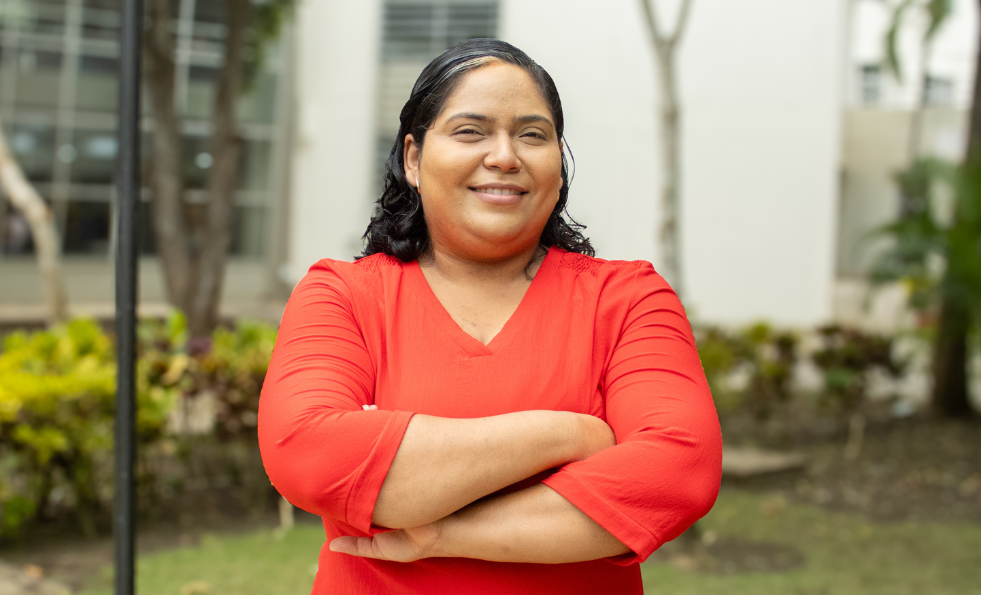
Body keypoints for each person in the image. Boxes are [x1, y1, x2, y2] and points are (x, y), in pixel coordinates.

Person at [258, 38, 722, 595]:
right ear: (413, 158)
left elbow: (679, 472)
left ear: (558, 164)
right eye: (470, 131)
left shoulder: (627, 300)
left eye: (532, 135)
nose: (504, 156)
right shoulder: (343, 295)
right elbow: (308, 454)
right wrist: (568, 434)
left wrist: (441, 533)